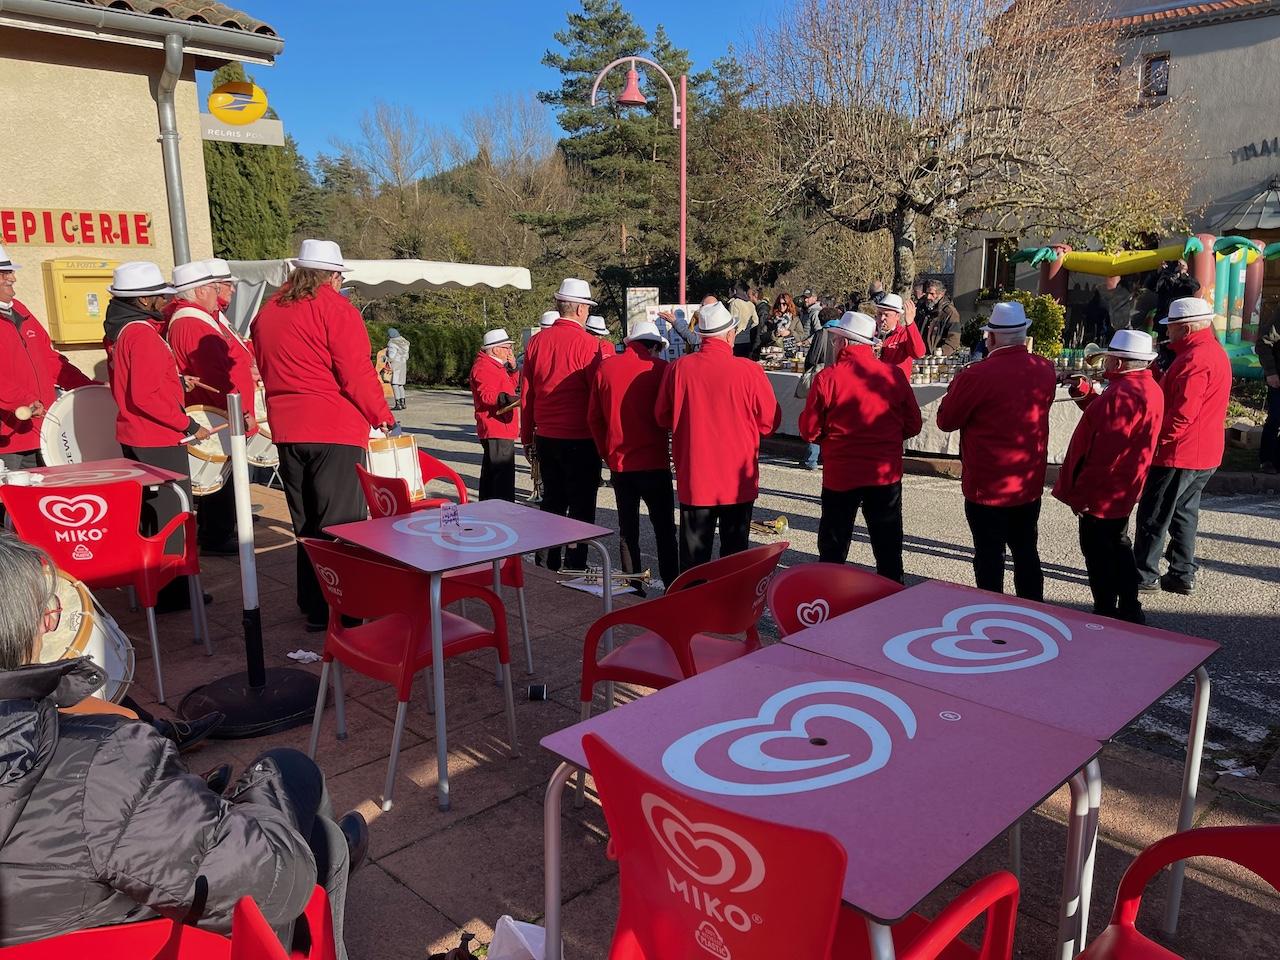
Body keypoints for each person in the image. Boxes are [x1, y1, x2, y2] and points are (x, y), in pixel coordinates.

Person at [0, 534, 365, 955]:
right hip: (168, 936)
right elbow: (275, 882)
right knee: (291, 773)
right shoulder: (102, 767)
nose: (49, 623)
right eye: (44, 611)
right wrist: (245, 810)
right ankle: (326, 878)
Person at [252, 240, 394, 631]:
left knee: (307, 521)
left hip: (287, 428)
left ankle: (313, 603)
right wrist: (381, 415)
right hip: (334, 427)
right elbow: (356, 372)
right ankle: (343, 609)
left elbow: (264, 366)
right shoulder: (336, 309)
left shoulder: (266, 313)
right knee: (341, 523)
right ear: (332, 276)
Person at [103, 262, 212, 614]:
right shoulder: (142, 334)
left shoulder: (122, 330)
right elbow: (146, 396)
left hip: (138, 435)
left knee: (150, 515)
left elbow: (139, 385)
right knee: (171, 517)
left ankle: (156, 586)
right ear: (145, 300)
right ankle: (172, 591)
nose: (164, 301)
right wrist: (188, 425)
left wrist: (177, 383)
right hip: (157, 438)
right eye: (159, 296)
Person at [937, 301, 1056, 600]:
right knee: (1026, 550)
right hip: (1027, 480)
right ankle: (1033, 609)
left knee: (989, 555)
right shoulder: (1044, 368)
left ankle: (991, 608)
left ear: (990, 338)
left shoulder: (977, 375)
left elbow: (946, 421)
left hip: (987, 483)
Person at [656, 300, 781, 570]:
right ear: (730, 335)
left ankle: (691, 607)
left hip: (696, 475)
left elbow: (662, 417)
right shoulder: (749, 370)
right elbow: (769, 422)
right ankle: (731, 608)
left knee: (693, 558)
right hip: (737, 478)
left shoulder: (679, 368)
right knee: (735, 557)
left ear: (701, 335)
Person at [1052, 330, 1165, 624]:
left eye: (1109, 357)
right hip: (1124, 484)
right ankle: (1128, 605)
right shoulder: (1147, 387)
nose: (1105, 362)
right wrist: (1087, 392)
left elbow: (1104, 454)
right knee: (1118, 544)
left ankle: (1107, 609)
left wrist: (1082, 496)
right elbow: (1105, 422)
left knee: (1100, 553)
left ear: (1118, 362)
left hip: (1104, 490)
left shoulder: (1123, 395)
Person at [800, 312, 922, 581]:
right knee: (888, 545)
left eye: (836, 341)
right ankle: (892, 597)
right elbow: (914, 424)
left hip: (841, 474)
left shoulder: (828, 378)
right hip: (884, 473)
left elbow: (809, 429)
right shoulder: (894, 375)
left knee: (834, 545)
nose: (833, 345)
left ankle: (828, 597)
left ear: (844, 343)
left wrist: (829, 439)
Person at [1133, 297, 1231, 595]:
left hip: (1181, 453)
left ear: (1186, 328)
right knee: (1184, 513)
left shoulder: (1194, 359)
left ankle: (1144, 575)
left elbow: (1181, 415)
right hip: (1205, 452)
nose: (1168, 333)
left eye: (1172, 327)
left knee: (1154, 514)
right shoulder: (1209, 352)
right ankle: (1181, 573)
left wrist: (1154, 443)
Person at [165, 260, 258, 557]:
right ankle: (216, 533)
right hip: (217, 410)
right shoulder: (191, 323)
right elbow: (215, 375)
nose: (223, 290)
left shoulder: (200, 318)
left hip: (222, 408)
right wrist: (235, 410)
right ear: (202, 289)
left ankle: (224, 523)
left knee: (226, 472)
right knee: (218, 471)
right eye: (218, 286)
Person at [519, 278, 603, 571]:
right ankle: (576, 565)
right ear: (581, 309)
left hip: (546, 434)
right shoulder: (589, 344)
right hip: (580, 436)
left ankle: (546, 562)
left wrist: (526, 435)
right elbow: (597, 395)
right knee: (581, 507)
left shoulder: (537, 342)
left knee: (552, 503)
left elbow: (526, 392)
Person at [588, 320, 679, 592]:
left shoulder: (606, 368)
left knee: (628, 530)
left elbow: (594, 419)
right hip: (654, 462)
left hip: (621, 462)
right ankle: (672, 585)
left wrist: (607, 453)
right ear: (653, 346)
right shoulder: (662, 369)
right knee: (664, 529)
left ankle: (633, 586)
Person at [0, 244, 97, 471]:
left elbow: (50, 360)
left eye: (11, 272)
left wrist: (89, 388)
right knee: (9, 501)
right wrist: (23, 400)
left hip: (40, 431)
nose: (13, 278)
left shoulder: (20, 310)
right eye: (4, 274)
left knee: (41, 500)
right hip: (6, 436)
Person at [470, 328, 520, 502]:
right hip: (496, 426)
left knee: (493, 474)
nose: (509, 351)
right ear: (495, 349)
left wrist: (513, 369)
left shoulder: (494, 365)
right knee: (501, 478)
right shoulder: (483, 367)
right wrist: (505, 398)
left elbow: (510, 386)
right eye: (507, 347)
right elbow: (486, 395)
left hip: (499, 426)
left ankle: (491, 507)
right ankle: (501, 510)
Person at [1151, 260, 1201, 359]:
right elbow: (1152, 286)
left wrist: (1183, 273)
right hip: (1163, 319)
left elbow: (1195, 286)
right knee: (1164, 348)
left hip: (1179, 320)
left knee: (1177, 347)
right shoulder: (1165, 279)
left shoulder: (1186, 281)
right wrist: (1159, 272)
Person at [875, 293, 925, 378]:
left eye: (886, 315)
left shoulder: (903, 334)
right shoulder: (870, 333)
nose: (882, 318)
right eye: (880, 314)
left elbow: (918, 353)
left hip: (896, 386)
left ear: (897, 316)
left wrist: (910, 324)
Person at [1255, 303, 1280, 474]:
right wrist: (1271, 372)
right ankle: (1267, 460)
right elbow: (1264, 343)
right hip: (1278, 377)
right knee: (1276, 418)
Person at [919, 279, 962, 356]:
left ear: (941, 294)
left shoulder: (950, 313)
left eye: (932, 294)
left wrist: (941, 352)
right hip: (920, 356)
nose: (928, 297)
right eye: (927, 293)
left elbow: (954, 340)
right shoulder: (922, 309)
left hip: (938, 359)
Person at [385, 327, 410, 411]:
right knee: (400, 384)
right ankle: (403, 403)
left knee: (395, 383)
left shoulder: (392, 343)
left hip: (396, 363)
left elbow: (391, 356)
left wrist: (386, 358)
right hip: (403, 363)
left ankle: (398, 404)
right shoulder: (405, 342)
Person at [729, 285, 757, 358]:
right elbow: (756, 321)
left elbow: (733, 322)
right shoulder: (751, 304)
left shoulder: (734, 303)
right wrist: (747, 329)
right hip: (747, 339)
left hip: (736, 339)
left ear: (734, 292)